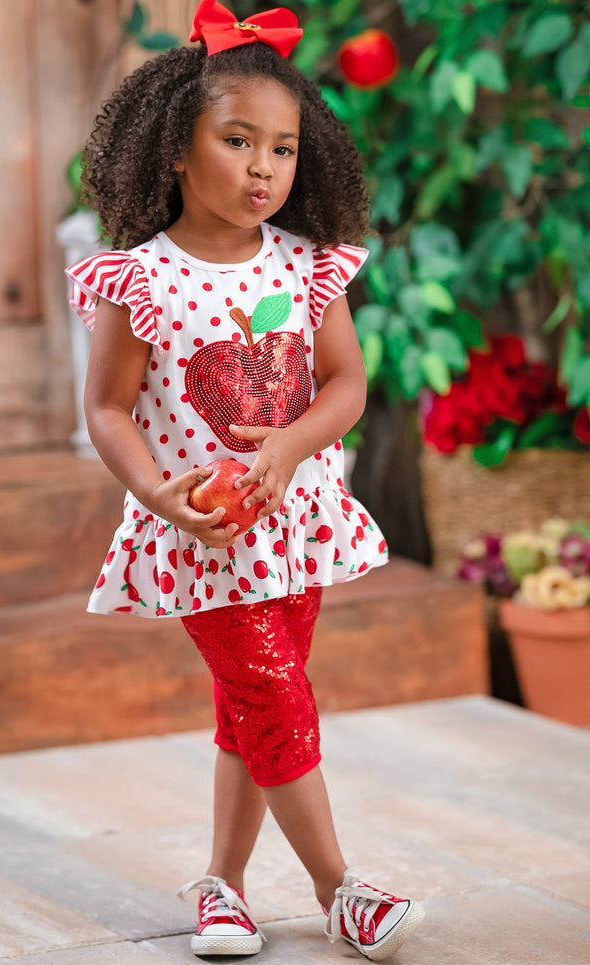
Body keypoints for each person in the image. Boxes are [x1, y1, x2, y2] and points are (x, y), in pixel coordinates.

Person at [66, 0, 424, 959]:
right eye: (238, 141)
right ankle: (341, 888)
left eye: (283, 148)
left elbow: (346, 386)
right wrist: (156, 494)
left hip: (295, 521)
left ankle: (221, 886)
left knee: (254, 707)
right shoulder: (138, 280)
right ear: (176, 151)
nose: (264, 166)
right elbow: (107, 408)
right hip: (205, 536)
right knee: (272, 696)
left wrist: (289, 446)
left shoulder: (307, 267)